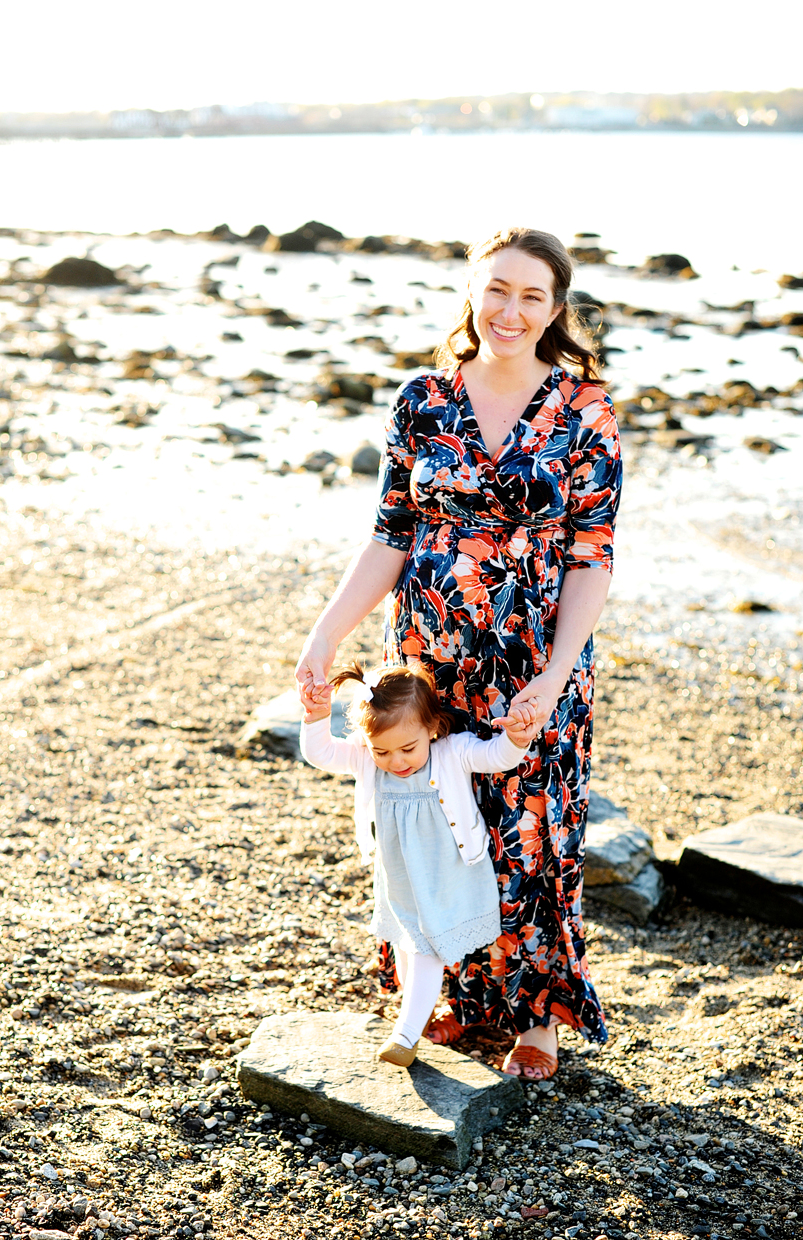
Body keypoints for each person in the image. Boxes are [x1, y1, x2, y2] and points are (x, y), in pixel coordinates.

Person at [295, 226, 622, 1080]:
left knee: (533, 830)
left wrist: (555, 674)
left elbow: (593, 556)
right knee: (436, 828)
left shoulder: (584, 408)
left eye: (533, 296)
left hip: (536, 666)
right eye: (498, 289)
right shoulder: (423, 399)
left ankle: (537, 1015)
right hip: (430, 665)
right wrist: (325, 634)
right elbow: (388, 540)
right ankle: (454, 996)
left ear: (555, 309)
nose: (512, 310)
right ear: (473, 291)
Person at [299, 661, 538, 1067]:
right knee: (406, 945)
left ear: (431, 728)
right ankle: (417, 1012)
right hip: (401, 878)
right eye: (383, 750)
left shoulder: (452, 753)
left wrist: (515, 739)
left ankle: (406, 1034)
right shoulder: (366, 761)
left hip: (448, 873)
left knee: (425, 945)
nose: (396, 761)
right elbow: (319, 753)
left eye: (408, 748)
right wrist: (316, 716)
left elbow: (495, 756)